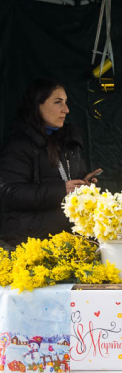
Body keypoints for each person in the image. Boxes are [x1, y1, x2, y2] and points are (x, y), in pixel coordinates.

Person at [0, 78, 100, 247]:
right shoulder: (19, 144)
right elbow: (9, 191)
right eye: (58, 102)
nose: (66, 110)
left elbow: (69, 180)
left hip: (67, 240)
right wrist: (62, 190)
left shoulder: (68, 141)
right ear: (38, 105)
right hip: (30, 243)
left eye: (66, 102)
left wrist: (85, 184)